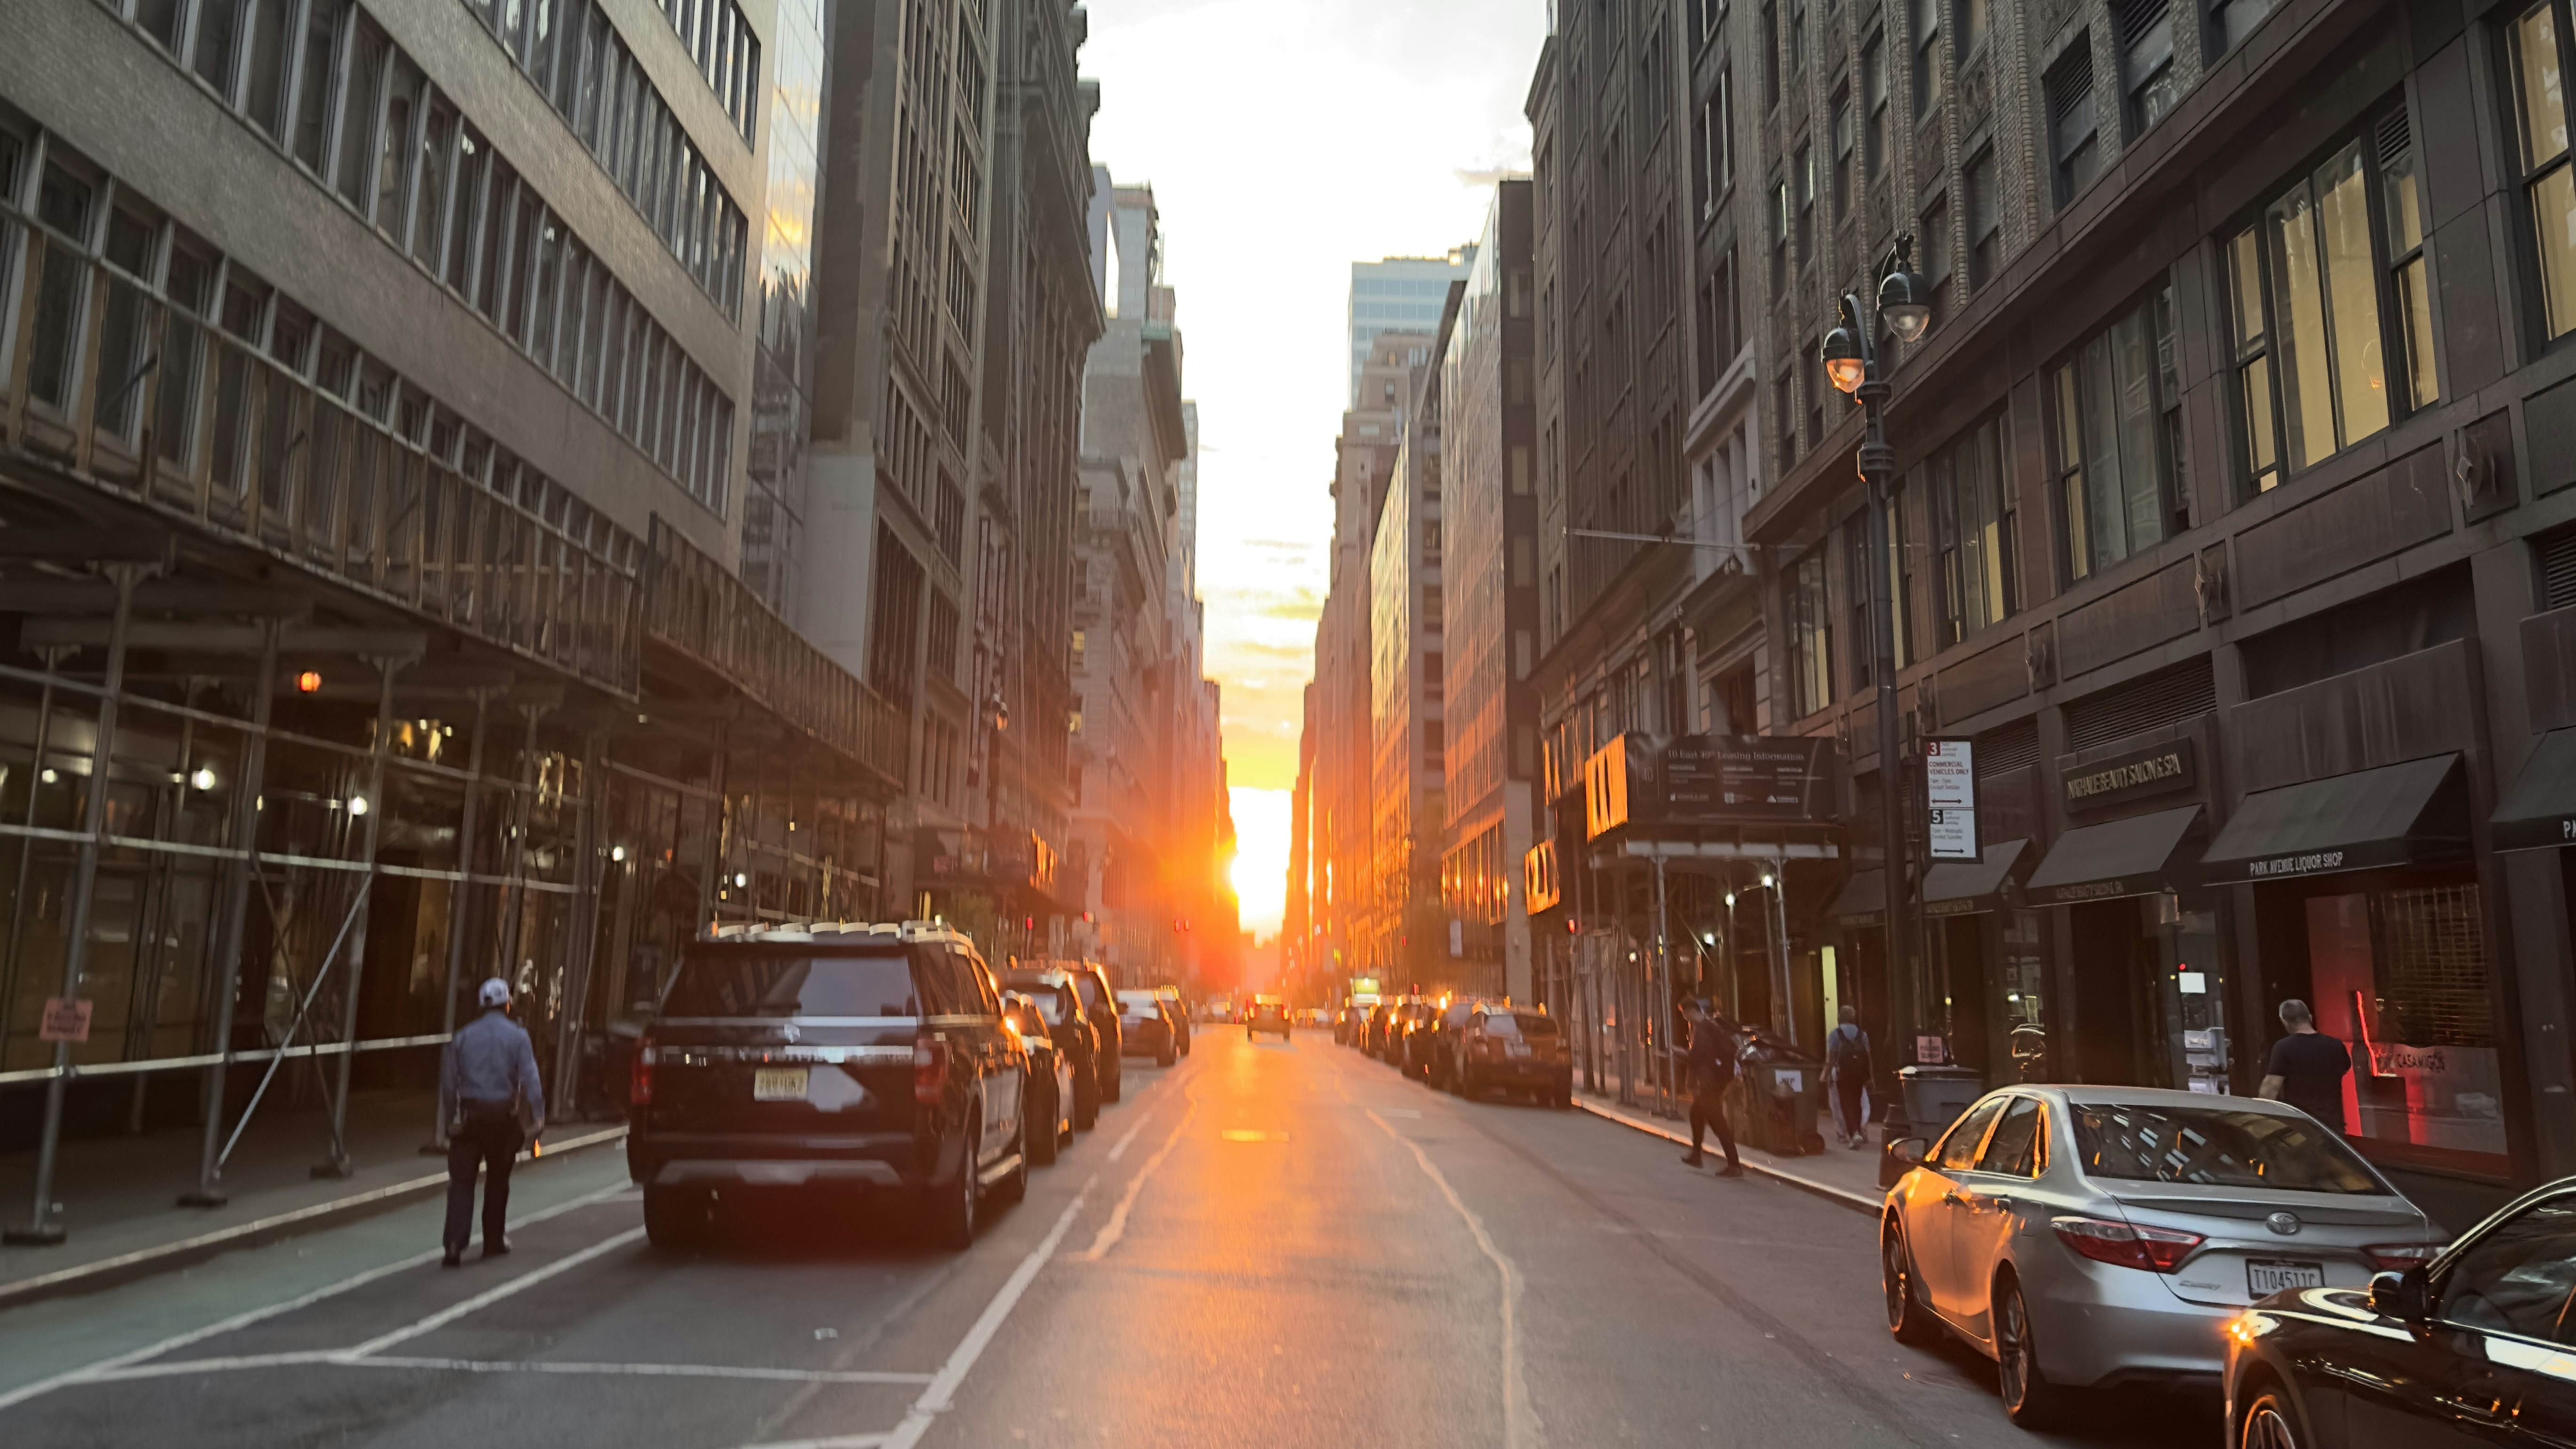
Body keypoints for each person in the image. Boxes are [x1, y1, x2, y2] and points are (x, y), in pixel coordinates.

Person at [439, 977, 545, 1267]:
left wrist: (451, 1122)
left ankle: (453, 1245)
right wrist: (538, 1116)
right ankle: (493, 1240)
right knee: (498, 1179)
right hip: (501, 1119)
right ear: (507, 1005)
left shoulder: (461, 1037)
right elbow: (530, 1079)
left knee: (461, 1182)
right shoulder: (519, 1037)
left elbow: (449, 1086)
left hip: (470, 1118)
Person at [2257, 998, 2353, 1133]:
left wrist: (2262, 1119)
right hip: (2333, 1126)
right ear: (2310, 1018)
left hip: (2302, 1125)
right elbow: (2344, 1069)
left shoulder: (2284, 1047)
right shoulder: (2336, 1045)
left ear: (2285, 1022)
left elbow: (2271, 1088)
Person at [1678, 999, 1743, 1177]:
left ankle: (1734, 1165)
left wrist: (1681, 1054)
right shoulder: (1709, 1027)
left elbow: (1699, 1057)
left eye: (1684, 1013)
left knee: (1717, 1123)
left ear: (1690, 1011)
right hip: (1715, 1081)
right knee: (1697, 1114)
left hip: (1710, 1083)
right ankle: (1697, 1155)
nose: (1684, 1017)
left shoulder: (1703, 1029)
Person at [1824, 1005, 1874, 1150]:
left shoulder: (1835, 1034)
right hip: (1859, 1074)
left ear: (1840, 1017)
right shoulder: (1862, 1035)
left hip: (1843, 1074)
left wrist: (1828, 1073)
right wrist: (1871, 1076)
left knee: (1846, 1104)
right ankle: (1858, 1130)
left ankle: (1853, 1135)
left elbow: (1832, 1057)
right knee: (1857, 1103)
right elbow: (1868, 1057)